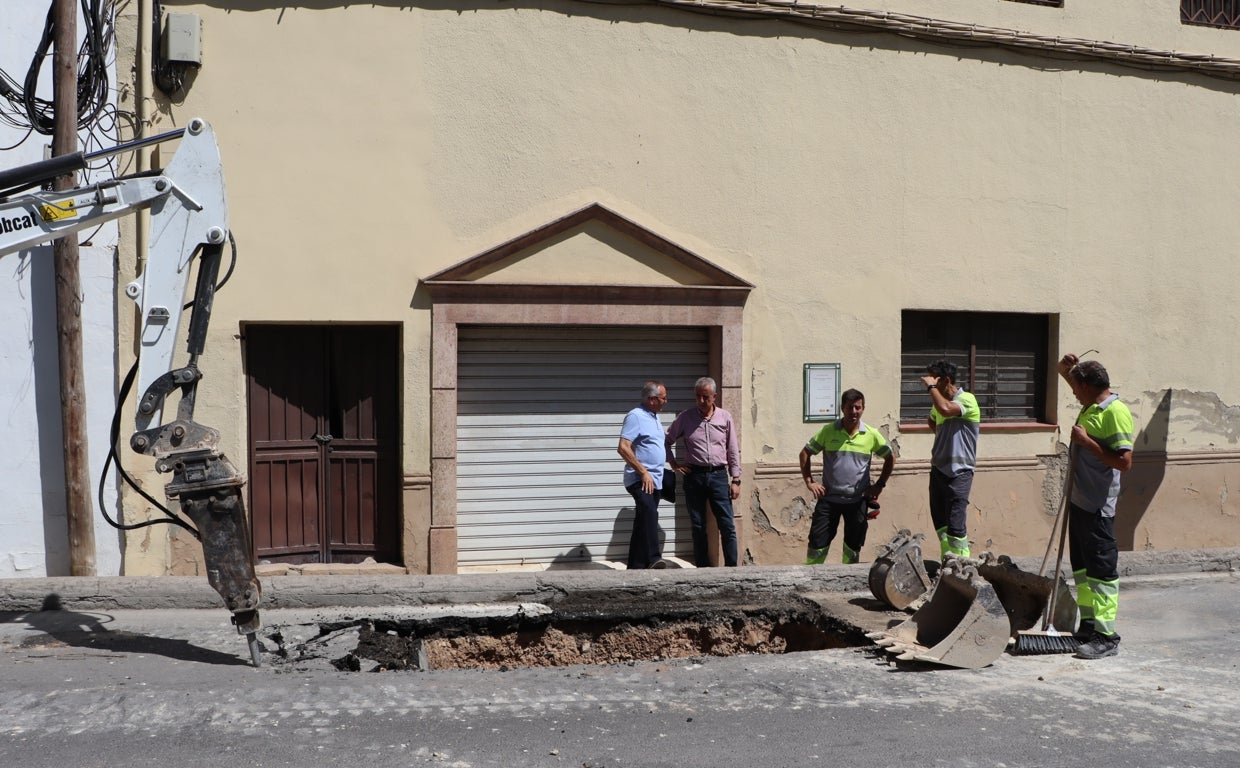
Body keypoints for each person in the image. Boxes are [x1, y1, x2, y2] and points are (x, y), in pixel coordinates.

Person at [1057, 354, 1134, 660]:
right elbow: (1080, 388)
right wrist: (1067, 372)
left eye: (1076, 388)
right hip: (1079, 502)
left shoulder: (1115, 412)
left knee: (1101, 572)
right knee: (1083, 569)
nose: (1073, 393)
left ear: (1088, 386)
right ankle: (1088, 624)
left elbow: (1125, 463)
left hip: (1098, 506)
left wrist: (1088, 443)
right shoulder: (1092, 407)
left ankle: (1106, 635)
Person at [799, 388, 894, 564]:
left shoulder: (871, 434)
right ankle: (811, 581)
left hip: (857, 501)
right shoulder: (828, 431)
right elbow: (805, 453)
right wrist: (809, 482)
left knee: (852, 548)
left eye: (858, 407)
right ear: (842, 408)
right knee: (817, 546)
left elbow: (890, 457)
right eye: (850, 407)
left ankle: (847, 583)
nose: (854, 412)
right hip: (829, 500)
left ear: (863, 408)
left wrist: (880, 484)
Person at [665, 377, 740, 567]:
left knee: (727, 525)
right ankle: (703, 568)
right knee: (698, 525)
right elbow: (666, 441)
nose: (701, 401)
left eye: (705, 397)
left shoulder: (725, 417)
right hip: (694, 477)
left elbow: (732, 448)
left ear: (715, 396)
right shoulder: (685, 417)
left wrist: (736, 479)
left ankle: (732, 569)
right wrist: (674, 464)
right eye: (698, 396)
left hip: (718, 476)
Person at [920, 360, 980, 560]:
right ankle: (947, 565)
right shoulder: (939, 403)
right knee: (941, 525)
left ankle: (963, 566)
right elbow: (933, 419)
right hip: (939, 470)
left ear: (946, 380)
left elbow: (946, 409)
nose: (930, 384)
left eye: (934, 380)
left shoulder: (967, 399)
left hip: (959, 472)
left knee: (955, 526)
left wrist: (931, 388)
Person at [617, 380, 670, 570]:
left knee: (642, 522)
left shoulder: (654, 416)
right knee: (649, 513)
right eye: (664, 398)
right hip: (640, 479)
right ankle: (654, 558)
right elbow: (623, 447)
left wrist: (673, 463)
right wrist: (643, 472)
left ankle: (635, 567)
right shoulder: (636, 416)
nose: (666, 401)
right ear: (652, 399)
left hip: (655, 480)